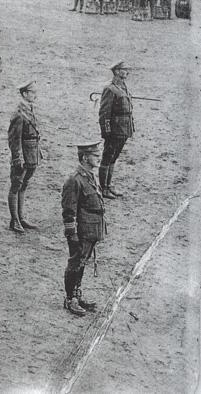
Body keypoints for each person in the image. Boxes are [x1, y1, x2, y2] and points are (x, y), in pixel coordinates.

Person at [61, 141, 106, 317]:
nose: (99, 158)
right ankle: (70, 299)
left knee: (82, 262)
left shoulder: (89, 176)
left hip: (92, 228)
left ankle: (77, 295)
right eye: (95, 155)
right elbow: (68, 210)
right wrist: (72, 234)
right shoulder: (74, 180)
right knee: (75, 263)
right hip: (82, 230)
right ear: (85, 157)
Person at [7, 81, 41, 233]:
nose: (35, 95)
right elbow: (14, 139)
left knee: (24, 185)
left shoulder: (29, 109)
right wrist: (17, 159)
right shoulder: (19, 114)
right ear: (24, 94)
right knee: (16, 186)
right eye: (32, 93)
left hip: (31, 154)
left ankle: (21, 217)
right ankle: (14, 220)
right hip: (23, 156)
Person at [98, 61, 135, 199]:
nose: (127, 72)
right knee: (107, 157)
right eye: (125, 70)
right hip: (114, 130)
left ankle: (108, 185)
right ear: (117, 71)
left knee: (114, 157)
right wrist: (106, 132)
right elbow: (104, 113)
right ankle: (103, 188)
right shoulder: (110, 89)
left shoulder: (123, 87)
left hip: (124, 129)